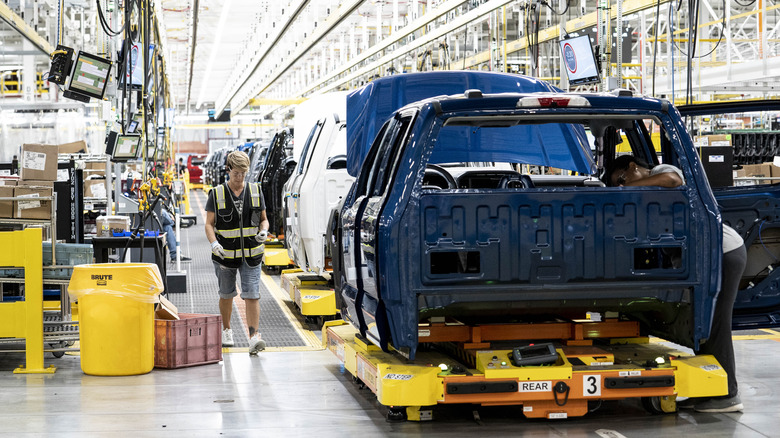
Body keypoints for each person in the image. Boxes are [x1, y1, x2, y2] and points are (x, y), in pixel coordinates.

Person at [607, 155, 746, 413]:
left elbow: (674, 180)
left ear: (632, 167)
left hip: (723, 252)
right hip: (704, 256)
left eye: (622, 179)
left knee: (716, 324)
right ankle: (711, 389)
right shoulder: (648, 192)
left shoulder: (662, 170)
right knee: (702, 324)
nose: (622, 186)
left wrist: (625, 188)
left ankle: (728, 395)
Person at [205, 151, 270, 354]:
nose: (240, 177)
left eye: (243, 173)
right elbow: (208, 224)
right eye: (236, 173)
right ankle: (227, 330)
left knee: (252, 295)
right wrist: (214, 243)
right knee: (227, 294)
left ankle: (253, 337)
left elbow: (263, 219)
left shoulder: (256, 191)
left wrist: (264, 231)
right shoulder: (216, 194)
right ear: (228, 170)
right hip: (224, 256)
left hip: (252, 255)